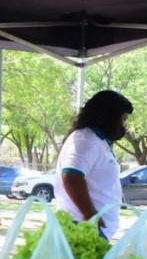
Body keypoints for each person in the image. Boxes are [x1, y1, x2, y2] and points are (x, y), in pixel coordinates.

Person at [52, 90, 134, 239]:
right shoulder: (85, 140)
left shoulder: (98, 141)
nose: (124, 125)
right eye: (123, 119)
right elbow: (72, 177)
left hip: (91, 228)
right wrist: (91, 214)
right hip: (82, 226)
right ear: (110, 116)